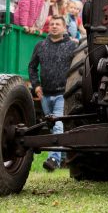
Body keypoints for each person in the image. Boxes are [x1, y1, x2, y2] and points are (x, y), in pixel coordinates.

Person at [28, 15, 77, 171]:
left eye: (58, 24)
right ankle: (62, 158)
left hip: (63, 94)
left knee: (57, 126)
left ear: (64, 28)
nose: (54, 26)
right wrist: (36, 86)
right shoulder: (40, 45)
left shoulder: (72, 46)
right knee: (52, 127)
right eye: (52, 24)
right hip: (45, 94)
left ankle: (53, 160)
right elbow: (32, 67)